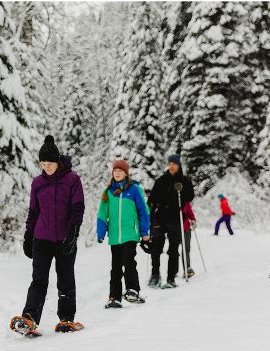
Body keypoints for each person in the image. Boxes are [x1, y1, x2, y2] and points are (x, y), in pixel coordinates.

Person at [11, 135, 85, 336]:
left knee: (65, 279)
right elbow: (33, 210)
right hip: (41, 239)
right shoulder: (38, 183)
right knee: (39, 280)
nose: (47, 167)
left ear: (57, 161)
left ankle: (66, 319)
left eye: (50, 163)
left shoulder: (72, 180)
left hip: (65, 238)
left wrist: (74, 232)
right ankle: (30, 318)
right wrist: (28, 234)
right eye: (43, 164)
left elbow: (78, 207)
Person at [96, 160, 150, 309]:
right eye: (115, 171)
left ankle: (132, 290)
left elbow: (144, 211)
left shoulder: (134, 190)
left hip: (130, 233)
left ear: (126, 173)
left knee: (128, 260)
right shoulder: (108, 192)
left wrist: (144, 232)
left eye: (120, 171)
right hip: (115, 236)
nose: (117, 173)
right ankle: (114, 297)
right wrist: (101, 232)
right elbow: (102, 213)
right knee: (116, 267)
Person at [147, 154, 194, 289]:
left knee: (173, 249)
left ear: (179, 165)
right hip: (160, 217)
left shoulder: (184, 181)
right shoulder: (161, 180)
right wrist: (150, 212)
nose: (172, 166)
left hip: (175, 218)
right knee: (156, 247)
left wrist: (182, 191)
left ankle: (171, 278)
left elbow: (190, 196)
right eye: (170, 163)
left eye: (174, 164)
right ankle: (155, 275)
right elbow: (152, 198)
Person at [181, 201, 197, 277]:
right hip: (174, 229)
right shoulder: (170, 198)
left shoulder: (185, 200)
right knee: (173, 250)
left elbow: (190, 213)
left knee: (186, 249)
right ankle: (173, 271)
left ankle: (187, 268)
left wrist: (193, 220)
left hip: (186, 228)